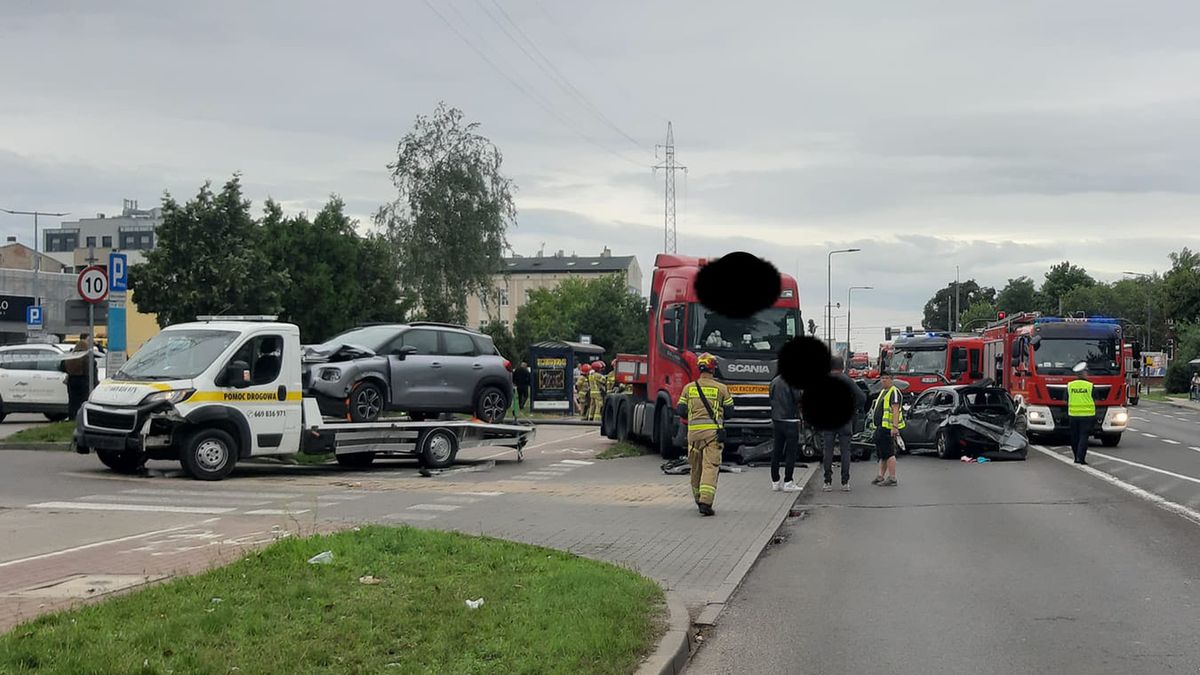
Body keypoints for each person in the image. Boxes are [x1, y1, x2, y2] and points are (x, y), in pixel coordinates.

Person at [676, 353, 734, 516]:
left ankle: (697, 498)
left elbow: (680, 410)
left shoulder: (689, 388)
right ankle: (706, 502)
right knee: (710, 466)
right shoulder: (721, 388)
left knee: (695, 467)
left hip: (693, 435)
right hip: (712, 435)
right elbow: (730, 412)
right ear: (713, 369)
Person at [823, 356, 868, 492]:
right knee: (845, 451)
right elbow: (862, 397)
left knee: (828, 450)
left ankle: (827, 482)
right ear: (842, 367)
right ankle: (845, 482)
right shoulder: (848, 381)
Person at [768, 369, 803, 493]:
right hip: (791, 420)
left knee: (777, 450)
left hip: (777, 420)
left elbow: (771, 398)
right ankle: (788, 481)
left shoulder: (774, 381)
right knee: (791, 452)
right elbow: (798, 397)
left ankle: (775, 482)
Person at [870, 372, 904, 486]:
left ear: (892, 379)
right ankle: (880, 476)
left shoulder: (893, 392)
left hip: (888, 428)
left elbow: (895, 410)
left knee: (889, 453)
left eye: (886, 378)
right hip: (881, 427)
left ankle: (892, 478)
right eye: (882, 378)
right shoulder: (884, 392)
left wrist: (894, 427)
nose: (883, 380)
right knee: (882, 453)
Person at [61, 334, 98, 421]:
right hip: (83, 380)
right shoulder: (86, 356)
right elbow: (89, 368)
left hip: (72, 380)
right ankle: (83, 419)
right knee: (84, 401)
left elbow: (62, 366)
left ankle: (72, 418)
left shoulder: (71, 356)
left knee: (73, 401)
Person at [1067, 364, 1096, 465]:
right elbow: (1096, 398)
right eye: (1086, 372)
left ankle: (1076, 457)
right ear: (1083, 373)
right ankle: (1081, 458)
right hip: (1087, 416)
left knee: (1075, 437)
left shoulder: (1070, 385)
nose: (1087, 374)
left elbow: (1065, 398)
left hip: (1073, 415)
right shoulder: (1090, 385)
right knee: (1083, 437)